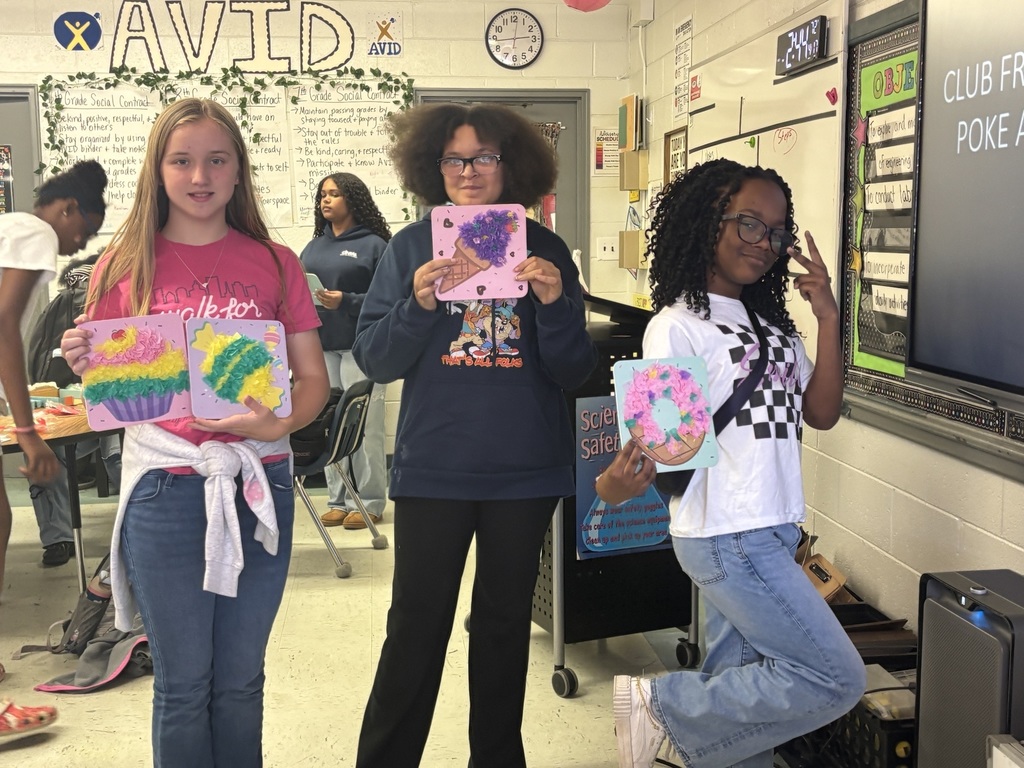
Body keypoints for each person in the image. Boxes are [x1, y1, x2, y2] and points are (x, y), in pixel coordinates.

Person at [60, 98, 329, 767]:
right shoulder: (123, 265)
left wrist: (282, 421)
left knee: (240, 684)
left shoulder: (274, 261)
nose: (199, 175)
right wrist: (87, 361)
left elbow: (313, 381)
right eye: (182, 160)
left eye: (217, 159)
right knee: (181, 688)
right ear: (158, 170)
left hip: (256, 481)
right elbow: (113, 392)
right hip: (163, 492)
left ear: (239, 171)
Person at [351, 102, 598, 767]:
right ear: (434, 166)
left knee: (503, 628)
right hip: (435, 468)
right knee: (413, 629)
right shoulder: (409, 246)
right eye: (454, 159)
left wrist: (553, 308)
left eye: (483, 157)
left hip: (524, 472)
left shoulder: (543, 248)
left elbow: (577, 370)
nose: (468, 171)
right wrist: (418, 304)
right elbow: (375, 359)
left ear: (510, 164)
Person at [602, 159, 866, 768]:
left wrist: (828, 318)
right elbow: (662, 450)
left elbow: (821, 412)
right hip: (727, 532)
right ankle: (662, 707)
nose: (764, 244)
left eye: (776, 233)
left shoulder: (774, 327)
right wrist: (616, 480)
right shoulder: (675, 326)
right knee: (834, 676)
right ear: (707, 222)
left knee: (745, 707)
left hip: (771, 527)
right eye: (749, 224)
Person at [0, 159, 106, 735]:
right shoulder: (33, 230)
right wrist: (26, 429)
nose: (75, 246)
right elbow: (3, 324)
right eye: (82, 232)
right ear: (66, 211)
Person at [300, 172, 390, 530]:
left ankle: (369, 501)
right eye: (323, 194)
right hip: (322, 347)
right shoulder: (312, 246)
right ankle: (338, 499)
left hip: (362, 347)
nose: (326, 200)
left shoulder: (375, 245)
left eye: (335, 194)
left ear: (353, 200)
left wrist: (347, 301)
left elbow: (391, 299)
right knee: (328, 425)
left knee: (365, 427)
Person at [27, 252, 123, 567]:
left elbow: (35, 365)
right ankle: (138, 526)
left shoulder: (55, 308)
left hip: (67, 412)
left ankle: (57, 540)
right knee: (116, 453)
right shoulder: (123, 302)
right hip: (105, 411)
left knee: (46, 456)